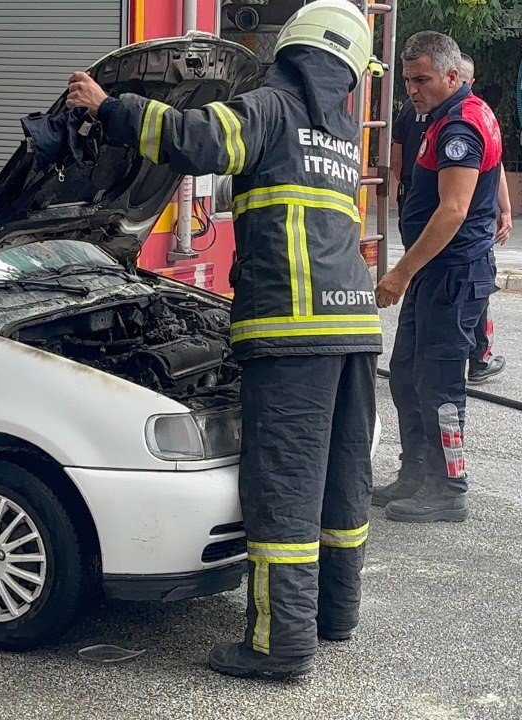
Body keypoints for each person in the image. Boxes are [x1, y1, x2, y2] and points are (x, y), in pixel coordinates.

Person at [68, 0, 381, 678]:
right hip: (353, 325)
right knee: (340, 482)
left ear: (291, 50)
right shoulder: (339, 132)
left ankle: (280, 645)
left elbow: (196, 141)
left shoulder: (271, 107)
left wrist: (108, 106)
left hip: (292, 328)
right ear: (347, 71)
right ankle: (334, 615)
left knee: (285, 488)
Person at [372, 31, 503, 523]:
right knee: (406, 374)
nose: (412, 88)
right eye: (407, 80)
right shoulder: (442, 116)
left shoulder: (459, 129)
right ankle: (415, 473)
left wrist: (400, 274)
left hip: (452, 274)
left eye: (422, 79)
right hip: (435, 272)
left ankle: (449, 489)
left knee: (441, 385)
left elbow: (452, 211)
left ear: (452, 76)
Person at [460, 52, 510, 384]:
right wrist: (503, 210)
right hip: (466, 227)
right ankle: (477, 360)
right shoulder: (477, 116)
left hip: (435, 223)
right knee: (475, 296)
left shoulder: (415, 111)